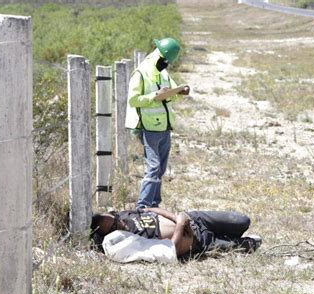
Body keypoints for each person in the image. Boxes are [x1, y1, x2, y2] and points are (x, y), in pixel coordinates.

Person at [125, 38, 190, 210]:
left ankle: (154, 204)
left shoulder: (163, 73)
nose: (166, 64)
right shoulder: (140, 74)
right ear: (159, 55)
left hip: (164, 127)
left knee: (160, 169)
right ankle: (142, 206)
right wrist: (154, 96)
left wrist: (180, 92)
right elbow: (133, 100)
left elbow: (171, 92)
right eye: (165, 60)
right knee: (153, 168)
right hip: (148, 128)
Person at [91, 208, 262, 258]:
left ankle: (233, 234)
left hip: (195, 220)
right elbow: (170, 249)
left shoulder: (124, 215)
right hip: (198, 243)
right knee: (250, 245)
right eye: (113, 228)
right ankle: (241, 241)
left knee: (242, 221)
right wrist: (180, 226)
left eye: (115, 219)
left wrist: (178, 218)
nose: (118, 224)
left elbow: (151, 209)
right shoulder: (129, 244)